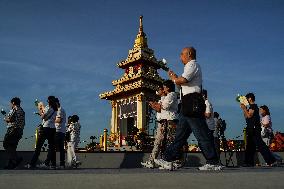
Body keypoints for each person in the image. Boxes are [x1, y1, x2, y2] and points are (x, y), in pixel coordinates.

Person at [154, 46, 221, 170]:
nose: (180, 56)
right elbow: (182, 86)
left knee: (201, 133)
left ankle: (213, 161)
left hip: (192, 103)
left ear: (189, 54)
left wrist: (174, 79)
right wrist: (175, 78)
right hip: (186, 104)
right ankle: (168, 159)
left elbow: (183, 80)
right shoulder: (188, 67)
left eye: (182, 54)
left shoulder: (192, 65)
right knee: (180, 135)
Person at [240, 93, 277, 166]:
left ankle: (271, 160)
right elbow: (246, 117)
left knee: (260, 145)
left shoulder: (253, 106)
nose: (246, 100)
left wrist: (244, 108)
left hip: (254, 129)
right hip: (251, 129)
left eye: (246, 98)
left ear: (250, 98)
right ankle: (248, 162)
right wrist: (244, 109)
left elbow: (249, 116)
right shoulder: (250, 107)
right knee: (250, 146)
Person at [28, 96, 58, 169]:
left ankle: (32, 163)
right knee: (51, 147)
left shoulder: (48, 107)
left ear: (48, 101)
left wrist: (40, 112)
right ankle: (52, 164)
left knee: (38, 147)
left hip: (46, 128)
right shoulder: (55, 109)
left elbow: (43, 117)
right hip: (53, 128)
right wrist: (42, 112)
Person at [141, 84, 166, 168]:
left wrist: (152, 105)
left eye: (159, 89)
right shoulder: (161, 99)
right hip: (160, 122)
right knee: (158, 143)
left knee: (158, 143)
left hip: (163, 122)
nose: (157, 91)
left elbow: (159, 109)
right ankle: (154, 161)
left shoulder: (165, 98)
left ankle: (152, 161)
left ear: (163, 90)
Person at [40, 98, 66, 169]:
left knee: (53, 148)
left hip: (58, 131)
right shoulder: (61, 109)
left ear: (56, 103)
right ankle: (61, 164)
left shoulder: (59, 110)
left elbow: (59, 120)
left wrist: (50, 119)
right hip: (62, 131)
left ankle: (49, 163)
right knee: (60, 149)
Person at [3, 97, 25, 169]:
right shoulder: (21, 110)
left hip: (13, 129)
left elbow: (10, 119)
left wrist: (5, 119)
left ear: (13, 103)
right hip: (19, 130)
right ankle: (10, 164)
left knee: (6, 144)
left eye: (11, 103)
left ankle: (16, 158)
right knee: (12, 147)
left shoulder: (15, 108)